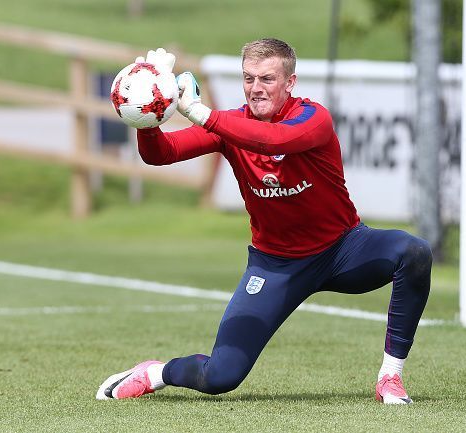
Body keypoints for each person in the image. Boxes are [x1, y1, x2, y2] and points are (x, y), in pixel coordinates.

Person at [96, 40, 432, 405]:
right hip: (276, 266)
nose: (256, 88)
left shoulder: (313, 118)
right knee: (220, 376)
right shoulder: (230, 124)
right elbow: (161, 155)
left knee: (413, 252)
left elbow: (274, 140)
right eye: (248, 78)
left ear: (290, 82)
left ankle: (390, 379)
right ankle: (154, 373)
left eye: (268, 79)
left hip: (344, 250)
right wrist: (149, 115)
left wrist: (199, 112)